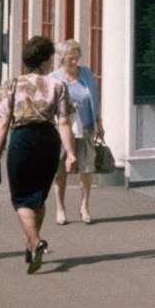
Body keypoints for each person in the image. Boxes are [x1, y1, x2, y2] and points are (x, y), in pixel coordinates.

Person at [0, 36, 77, 274]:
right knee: (38, 198)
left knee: (21, 198)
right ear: (45, 61)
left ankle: (35, 242)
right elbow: (64, 122)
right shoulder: (58, 86)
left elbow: (3, 122)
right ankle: (31, 243)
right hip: (48, 141)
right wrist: (70, 154)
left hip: (22, 140)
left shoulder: (11, 84)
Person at [50, 39, 103, 225]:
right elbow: (49, 105)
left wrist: (99, 122)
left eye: (77, 58)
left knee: (87, 168)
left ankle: (84, 206)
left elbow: (94, 99)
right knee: (61, 171)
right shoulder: (54, 78)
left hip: (86, 126)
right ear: (62, 59)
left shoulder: (87, 74)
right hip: (62, 129)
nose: (74, 62)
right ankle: (60, 208)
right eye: (71, 58)